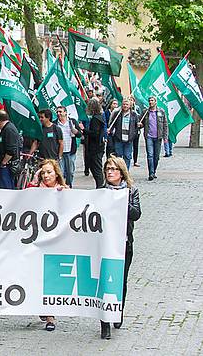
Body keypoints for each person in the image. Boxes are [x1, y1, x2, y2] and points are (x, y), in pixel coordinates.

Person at [99, 155, 141, 340]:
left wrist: (120, 199)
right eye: (108, 168)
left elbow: (136, 214)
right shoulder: (100, 191)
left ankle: (118, 309)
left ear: (121, 173)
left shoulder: (131, 192)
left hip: (124, 243)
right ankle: (105, 323)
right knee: (104, 282)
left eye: (114, 169)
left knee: (120, 281)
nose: (110, 172)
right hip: (103, 244)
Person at [26, 159, 67, 332]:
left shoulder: (64, 191)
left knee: (51, 277)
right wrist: (35, 180)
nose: (46, 175)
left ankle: (50, 315)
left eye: (49, 172)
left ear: (56, 173)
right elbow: (21, 199)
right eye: (43, 172)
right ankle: (44, 308)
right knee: (38, 276)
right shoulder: (35, 190)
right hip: (38, 241)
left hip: (56, 243)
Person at [138, 96, 168, 181]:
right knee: (150, 155)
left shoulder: (161, 111)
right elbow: (140, 123)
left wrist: (165, 137)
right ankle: (151, 173)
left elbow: (165, 125)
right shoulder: (145, 112)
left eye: (152, 100)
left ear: (155, 102)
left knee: (156, 156)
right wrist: (140, 125)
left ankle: (154, 171)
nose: (150, 102)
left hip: (158, 137)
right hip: (149, 137)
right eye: (149, 100)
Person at [0, 110, 21, 189]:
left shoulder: (9, 129)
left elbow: (11, 150)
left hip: (6, 167)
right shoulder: (5, 129)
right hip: (2, 167)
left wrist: (4, 163)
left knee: (5, 189)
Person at [107, 98, 138, 169]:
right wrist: (111, 131)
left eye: (127, 104)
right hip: (119, 138)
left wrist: (133, 135)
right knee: (118, 156)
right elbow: (111, 123)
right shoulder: (117, 113)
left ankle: (126, 172)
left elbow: (136, 126)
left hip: (129, 139)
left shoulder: (134, 114)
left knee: (127, 156)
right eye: (124, 104)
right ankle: (120, 172)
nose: (125, 106)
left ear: (130, 105)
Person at [56, 106, 82, 187]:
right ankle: (63, 187)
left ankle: (69, 186)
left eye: (60, 112)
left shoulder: (72, 122)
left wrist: (74, 130)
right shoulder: (55, 123)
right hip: (60, 152)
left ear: (65, 113)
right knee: (61, 172)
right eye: (57, 112)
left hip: (70, 152)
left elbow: (79, 134)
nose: (58, 114)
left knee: (70, 172)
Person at [83, 98, 106, 188]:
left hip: (95, 147)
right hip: (98, 146)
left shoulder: (95, 119)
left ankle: (100, 186)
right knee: (95, 167)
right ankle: (100, 185)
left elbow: (95, 134)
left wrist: (84, 130)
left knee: (96, 168)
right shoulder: (98, 117)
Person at [129, 96, 142, 167]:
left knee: (135, 146)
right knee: (129, 145)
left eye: (132, 100)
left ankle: (135, 160)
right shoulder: (127, 108)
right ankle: (128, 158)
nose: (131, 101)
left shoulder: (137, 108)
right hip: (129, 130)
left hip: (136, 130)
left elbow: (140, 117)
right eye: (129, 100)